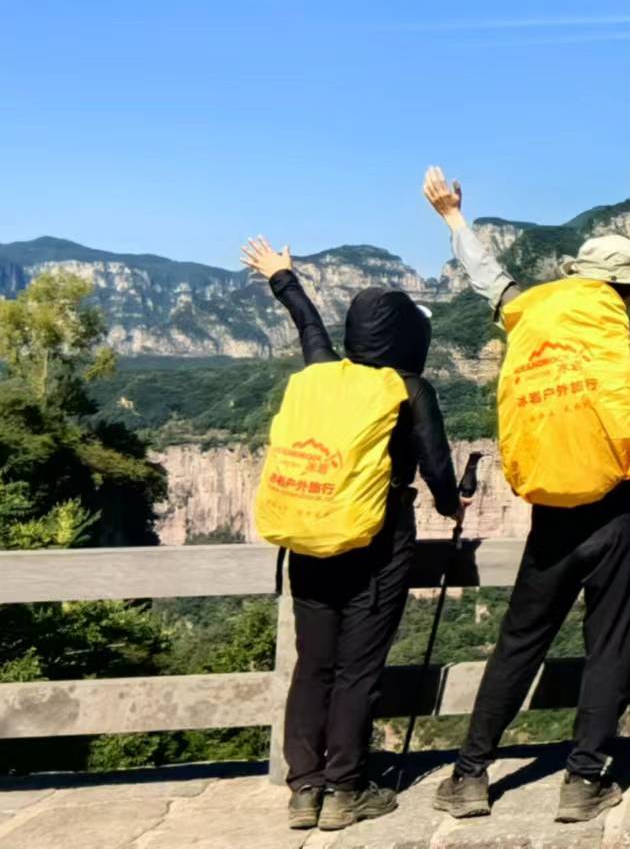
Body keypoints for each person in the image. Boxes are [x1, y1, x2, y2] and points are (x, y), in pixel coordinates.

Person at [420, 169, 630, 825]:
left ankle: (469, 775)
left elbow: (494, 283)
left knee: (519, 642)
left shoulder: (536, 321)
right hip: (616, 513)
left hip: (552, 513)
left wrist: (453, 219)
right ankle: (583, 782)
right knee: (610, 645)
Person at [239, 239, 463, 832]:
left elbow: (309, 327)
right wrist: (452, 504)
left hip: (310, 537)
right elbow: (437, 468)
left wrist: (283, 276)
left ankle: (304, 789)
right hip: (379, 542)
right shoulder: (409, 389)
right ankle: (345, 789)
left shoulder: (322, 374)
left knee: (313, 664)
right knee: (358, 667)